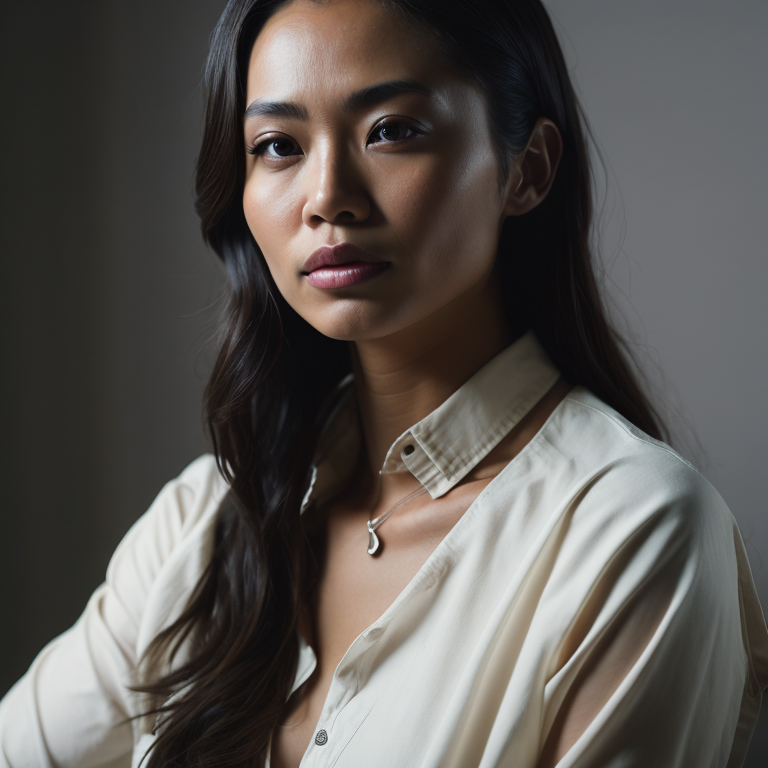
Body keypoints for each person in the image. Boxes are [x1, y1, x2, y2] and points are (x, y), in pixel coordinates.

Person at [1, 0, 766, 766]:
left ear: (527, 169)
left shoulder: (633, 534)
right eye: (278, 146)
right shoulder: (202, 527)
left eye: (392, 130)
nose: (327, 196)